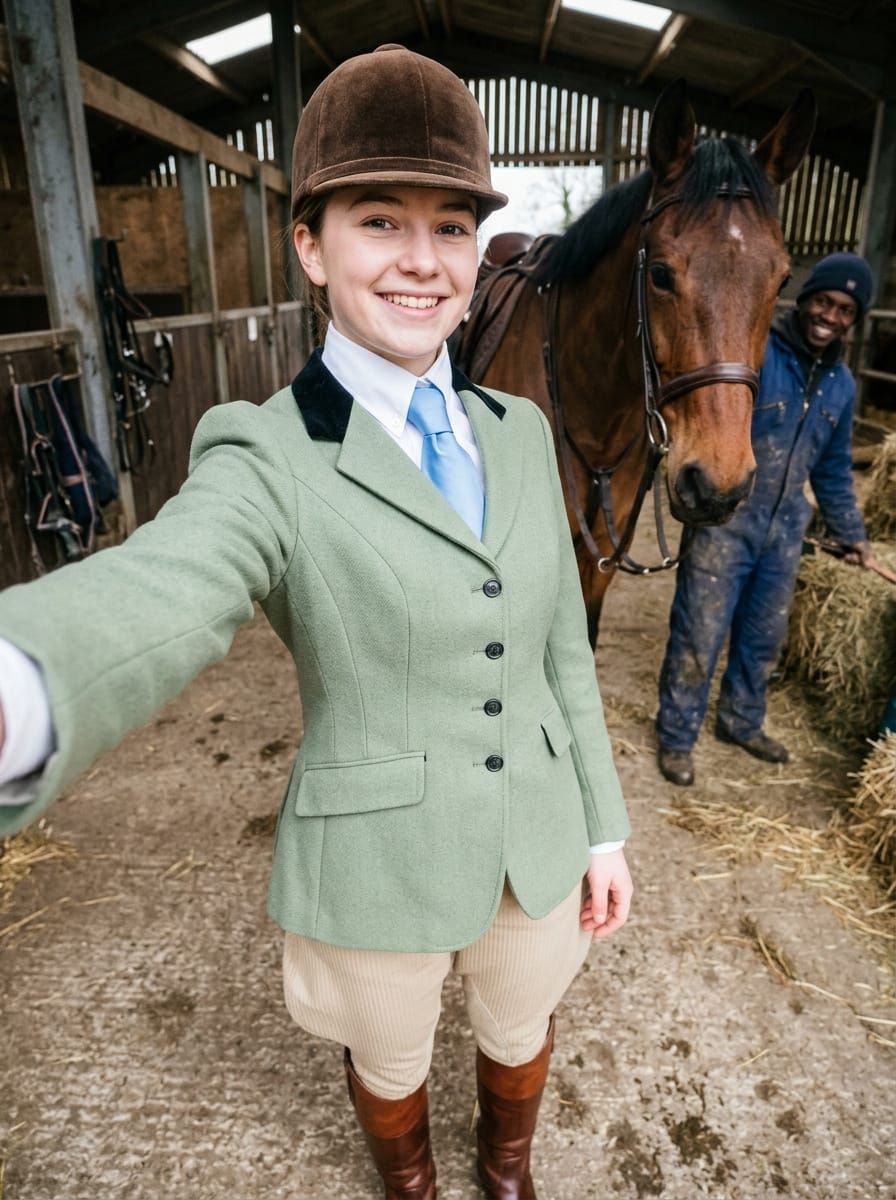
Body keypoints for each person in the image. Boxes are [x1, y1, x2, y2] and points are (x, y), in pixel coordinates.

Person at [0, 45, 632, 1199]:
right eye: (379, 222)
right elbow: (169, 581)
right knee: (387, 1054)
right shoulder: (266, 450)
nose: (421, 262)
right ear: (308, 244)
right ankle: (411, 1185)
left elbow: (557, 659)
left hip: (534, 831)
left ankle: (506, 1172)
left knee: (520, 1019)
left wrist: (601, 825)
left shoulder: (519, 434)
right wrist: (24, 685)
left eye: (450, 227)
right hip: (378, 852)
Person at [656, 251, 881, 787]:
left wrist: (854, 537)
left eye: (845, 309)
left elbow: (833, 471)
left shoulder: (842, 386)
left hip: (786, 531)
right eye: (823, 301)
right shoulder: (758, 357)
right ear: (803, 302)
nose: (830, 316)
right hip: (727, 521)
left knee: (764, 636)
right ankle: (677, 737)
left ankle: (741, 721)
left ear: (854, 319)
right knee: (700, 630)